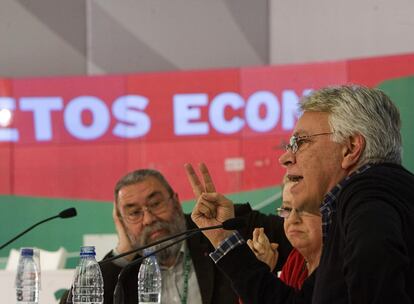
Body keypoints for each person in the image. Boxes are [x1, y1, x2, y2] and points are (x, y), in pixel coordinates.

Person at [186, 85, 414, 304]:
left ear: (351, 147)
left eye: (300, 142)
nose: (285, 157)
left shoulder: (369, 195)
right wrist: (222, 239)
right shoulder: (358, 205)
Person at [61, 168, 292, 304]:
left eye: (155, 203)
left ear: (175, 200)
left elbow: (301, 234)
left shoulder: (220, 227)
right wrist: (122, 252)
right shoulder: (124, 270)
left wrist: (226, 238)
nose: (149, 219)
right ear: (120, 221)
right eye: (134, 213)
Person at [247, 177, 322, 290]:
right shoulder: (296, 260)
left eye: (304, 208)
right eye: (286, 209)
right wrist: (261, 273)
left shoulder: (340, 265)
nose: (292, 219)